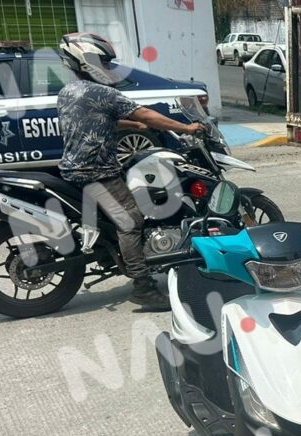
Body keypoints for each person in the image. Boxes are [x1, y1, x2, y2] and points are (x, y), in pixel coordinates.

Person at [57, 33, 204, 310]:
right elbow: (146, 114)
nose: (108, 68)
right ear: (87, 61)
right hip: (96, 171)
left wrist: (131, 127)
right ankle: (143, 287)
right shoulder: (102, 92)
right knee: (131, 220)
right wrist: (186, 128)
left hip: (74, 168)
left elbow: (92, 125)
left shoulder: (69, 91)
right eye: (103, 61)